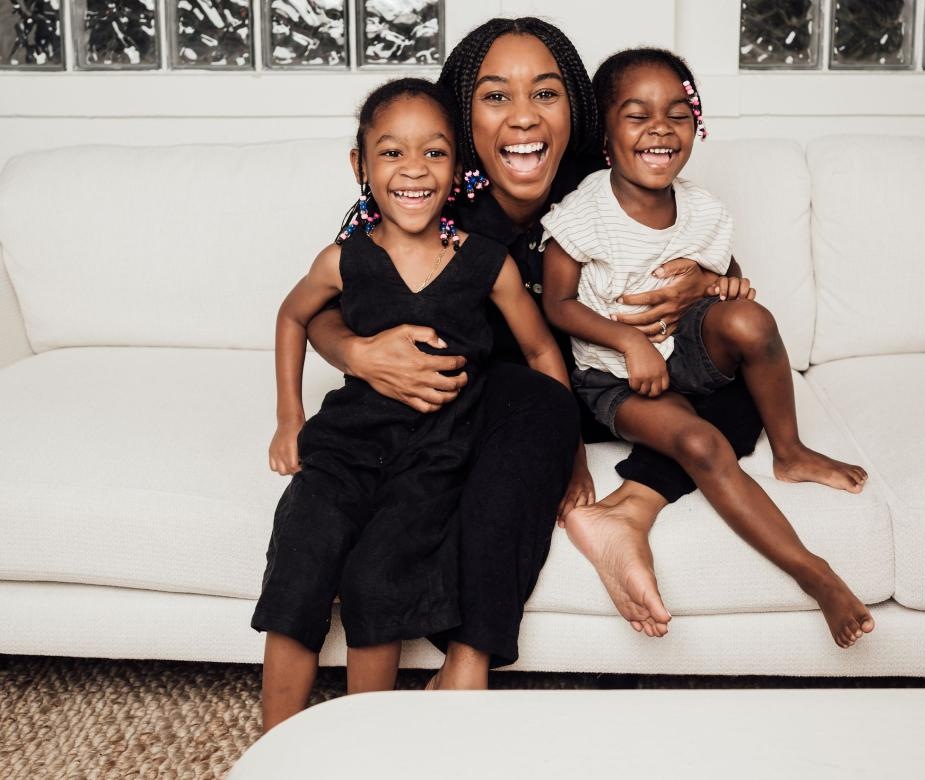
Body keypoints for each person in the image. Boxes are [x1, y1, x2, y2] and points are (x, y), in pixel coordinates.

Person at [306, 17, 765, 682]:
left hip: (608, 379)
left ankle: (629, 511)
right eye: (496, 97)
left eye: (544, 95)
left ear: (574, 112)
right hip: (497, 405)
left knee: (745, 357)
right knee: (509, 407)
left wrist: (701, 283)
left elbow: (727, 293)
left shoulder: (607, 185)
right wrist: (356, 351)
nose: (523, 117)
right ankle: (468, 656)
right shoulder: (425, 197)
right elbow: (321, 305)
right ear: (461, 119)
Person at [252, 77, 572, 732]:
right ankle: (273, 747)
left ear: (457, 170)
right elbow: (292, 316)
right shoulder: (344, 259)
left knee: (378, 579)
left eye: (434, 153)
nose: (413, 170)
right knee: (302, 559)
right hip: (345, 449)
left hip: (433, 461)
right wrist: (290, 417)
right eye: (392, 153)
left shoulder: (488, 265)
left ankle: (369, 744)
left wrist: (564, 454)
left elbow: (541, 353)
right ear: (360, 166)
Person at [542, 47, 874, 649]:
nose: (660, 128)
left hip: (687, 353)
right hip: (614, 377)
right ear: (606, 136)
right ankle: (814, 574)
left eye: (676, 113)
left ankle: (792, 451)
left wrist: (717, 285)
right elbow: (557, 305)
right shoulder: (584, 213)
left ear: (695, 126)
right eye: (637, 115)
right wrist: (627, 342)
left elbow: (724, 278)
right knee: (702, 442)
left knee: (751, 320)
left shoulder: (703, 209)